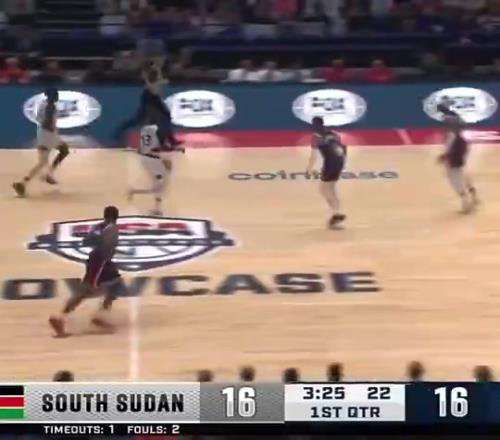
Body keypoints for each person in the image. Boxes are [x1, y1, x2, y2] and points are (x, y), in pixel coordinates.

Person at [49, 206, 121, 338]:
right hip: (101, 261)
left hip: (97, 260)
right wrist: (106, 258)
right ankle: (60, 317)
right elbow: (107, 246)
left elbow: (86, 241)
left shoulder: (98, 227)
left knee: (116, 285)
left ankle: (101, 316)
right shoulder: (112, 228)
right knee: (86, 289)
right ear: (116, 217)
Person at [12, 87, 70, 197]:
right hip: (48, 136)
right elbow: (47, 122)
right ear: (52, 96)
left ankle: (25, 182)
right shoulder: (50, 106)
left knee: (43, 161)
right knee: (62, 151)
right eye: (56, 95)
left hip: (43, 134)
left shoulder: (43, 104)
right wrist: (52, 130)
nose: (57, 96)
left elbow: (41, 119)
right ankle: (28, 181)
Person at [114, 60, 182, 148]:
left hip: (153, 97)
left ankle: (168, 141)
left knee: (159, 118)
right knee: (150, 119)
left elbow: (155, 87)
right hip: (150, 97)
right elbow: (152, 86)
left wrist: (161, 82)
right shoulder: (153, 72)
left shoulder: (154, 71)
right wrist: (162, 81)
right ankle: (164, 142)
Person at [128, 121, 181, 216]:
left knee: (160, 185)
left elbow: (143, 147)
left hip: (146, 158)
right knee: (161, 184)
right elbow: (159, 148)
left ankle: (136, 192)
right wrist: (174, 149)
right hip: (153, 159)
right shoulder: (158, 131)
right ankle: (157, 209)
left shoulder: (144, 129)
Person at [437, 103, 479, 213]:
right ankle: (473, 195)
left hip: (455, 150)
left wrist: (445, 154)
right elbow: (463, 126)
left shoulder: (447, 121)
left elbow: (450, 138)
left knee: (454, 177)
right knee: (461, 171)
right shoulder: (456, 116)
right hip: (461, 145)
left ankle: (466, 204)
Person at [306, 116, 347, 228]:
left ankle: (336, 214)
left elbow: (314, 156)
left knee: (324, 190)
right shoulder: (334, 134)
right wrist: (343, 165)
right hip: (339, 162)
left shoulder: (316, 136)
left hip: (330, 164)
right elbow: (343, 149)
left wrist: (309, 169)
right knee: (331, 189)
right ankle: (338, 211)